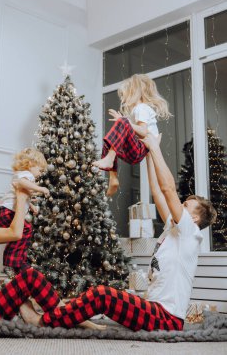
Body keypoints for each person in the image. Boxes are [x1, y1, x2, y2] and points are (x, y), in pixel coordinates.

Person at [33, 133, 217, 331]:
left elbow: (168, 190)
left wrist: (155, 148)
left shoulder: (190, 233)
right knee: (100, 295)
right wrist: (148, 154)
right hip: (154, 309)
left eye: (185, 205)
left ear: (195, 218)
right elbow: (157, 190)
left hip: (167, 318)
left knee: (103, 295)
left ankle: (43, 322)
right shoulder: (172, 230)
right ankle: (62, 316)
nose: (179, 206)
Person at [0, 188, 105, 330]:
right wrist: (20, 197)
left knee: (21, 283)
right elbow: (16, 233)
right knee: (29, 276)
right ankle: (72, 317)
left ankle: (48, 317)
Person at [93, 74, 171, 196]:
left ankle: (109, 159)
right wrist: (124, 121)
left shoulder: (142, 108)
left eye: (125, 94)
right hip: (136, 150)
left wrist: (124, 122)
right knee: (110, 141)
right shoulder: (136, 110)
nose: (123, 99)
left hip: (141, 148)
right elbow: (129, 129)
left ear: (134, 93)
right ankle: (113, 179)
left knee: (123, 122)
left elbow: (143, 131)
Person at [0, 147, 50, 278]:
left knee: (25, 230)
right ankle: (11, 262)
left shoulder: (26, 177)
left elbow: (22, 194)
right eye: (40, 170)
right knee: (25, 229)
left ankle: (16, 261)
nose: (40, 173)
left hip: (3, 212)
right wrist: (40, 188)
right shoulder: (25, 175)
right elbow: (21, 183)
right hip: (5, 211)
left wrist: (31, 206)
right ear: (30, 165)